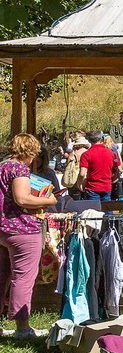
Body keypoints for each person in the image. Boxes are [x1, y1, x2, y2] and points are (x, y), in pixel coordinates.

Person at [2, 134, 54, 338]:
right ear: (30, 151)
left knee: (2, 278)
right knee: (23, 278)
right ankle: (22, 328)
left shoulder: (2, 166)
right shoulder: (19, 168)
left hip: (3, 229)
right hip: (22, 229)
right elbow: (22, 198)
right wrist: (48, 201)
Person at [79, 132, 119, 201]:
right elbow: (117, 169)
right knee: (107, 209)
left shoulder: (86, 154)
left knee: (93, 210)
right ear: (101, 139)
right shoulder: (111, 153)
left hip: (92, 186)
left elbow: (82, 173)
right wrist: (113, 180)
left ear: (89, 141)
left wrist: (79, 184)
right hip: (106, 185)